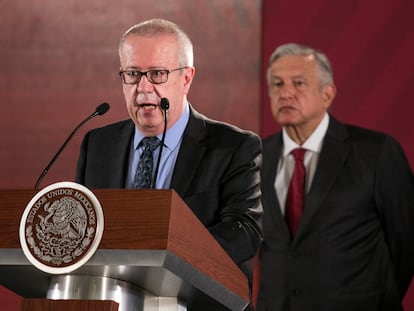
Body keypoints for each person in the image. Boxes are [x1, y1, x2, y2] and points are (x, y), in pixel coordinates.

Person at [75, 18, 263, 310]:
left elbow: (245, 232)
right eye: (132, 74)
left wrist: (162, 259)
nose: (143, 88)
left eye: (157, 74)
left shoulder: (233, 147)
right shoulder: (98, 144)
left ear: (186, 78)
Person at [256, 43, 414, 311]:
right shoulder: (256, 157)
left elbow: (405, 243)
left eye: (299, 83)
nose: (286, 93)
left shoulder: (376, 153)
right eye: (277, 84)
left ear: (327, 94)